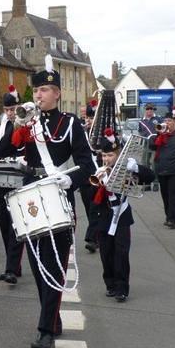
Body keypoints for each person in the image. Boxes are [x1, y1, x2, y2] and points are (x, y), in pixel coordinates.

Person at [11, 56, 95, 348]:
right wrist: (17, 126)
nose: (38, 96)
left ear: (57, 93)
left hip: (58, 195)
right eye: (36, 91)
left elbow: (88, 165)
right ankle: (52, 317)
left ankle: (45, 330)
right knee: (36, 264)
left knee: (54, 264)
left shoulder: (69, 124)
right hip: (31, 195)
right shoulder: (26, 121)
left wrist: (69, 181)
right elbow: (2, 150)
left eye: (45, 91)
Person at [91, 129, 155, 302]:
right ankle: (110, 284)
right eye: (104, 155)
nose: (106, 159)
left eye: (110, 155)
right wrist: (99, 182)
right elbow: (90, 195)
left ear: (118, 154)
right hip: (104, 216)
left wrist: (136, 168)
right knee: (106, 253)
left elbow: (150, 177)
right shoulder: (99, 170)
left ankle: (122, 288)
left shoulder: (126, 168)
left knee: (121, 253)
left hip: (122, 216)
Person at [0, 86, 24, 285]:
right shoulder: (0, 126)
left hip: (17, 179)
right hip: (1, 180)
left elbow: (21, 147)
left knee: (15, 225)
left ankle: (11, 269)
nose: (10, 113)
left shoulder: (22, 124)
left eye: (13, 109)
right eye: (7, 109)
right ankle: (14, 265)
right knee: (3, 223)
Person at [148, 112, 175, 229]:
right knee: (165, 195)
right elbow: (152, 146)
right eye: (165, 121)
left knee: (173, 194)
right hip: (162, 169)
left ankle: (173, 219)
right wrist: (158, 134)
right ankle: (168, 216)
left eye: (169, 121)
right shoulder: (161, 135)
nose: (167, 123)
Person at [79, 103, 101, 253]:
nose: (88, 120)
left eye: (91, 117)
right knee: (89, 208)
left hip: (100, 175)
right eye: (86, 117)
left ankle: (93, 239)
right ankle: (97, 235)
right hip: (86, 176)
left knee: (95, 208)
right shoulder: (81, 133)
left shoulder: (101, 132)